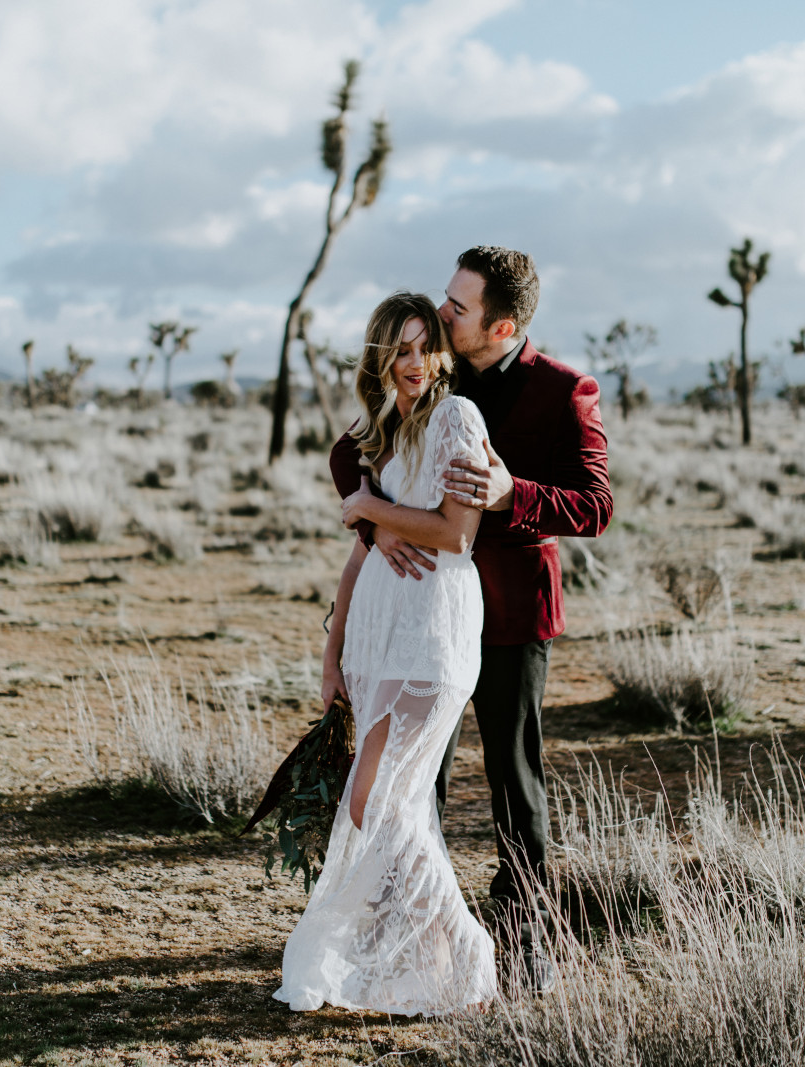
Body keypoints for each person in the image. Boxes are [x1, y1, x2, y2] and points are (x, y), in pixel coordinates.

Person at [328, 246, 613, 989]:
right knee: (417, 779)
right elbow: (349, 451)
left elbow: (595, 504)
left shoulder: (563, 390)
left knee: (514, 781)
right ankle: (409, 933)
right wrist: (377, 527)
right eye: (447, 300)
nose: (444, 312)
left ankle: (524, 939)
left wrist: (511, 493)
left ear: (502, 324)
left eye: (459, 308)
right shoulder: (430, 376)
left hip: (511, 613)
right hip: (426, 611)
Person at [274, 291, 498, 1016]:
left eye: (424, 345)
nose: (413, 362)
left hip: (432, 638)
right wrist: (333, 650)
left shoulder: (456, 418)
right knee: (386, 805)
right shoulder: (388, 431)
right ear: (379, 358)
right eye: (398, 350)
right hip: (378, 638)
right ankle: (425, 957)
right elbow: (360, 557)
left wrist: (369, 507)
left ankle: (467, 953)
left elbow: (456, 533)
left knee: (377, 799)